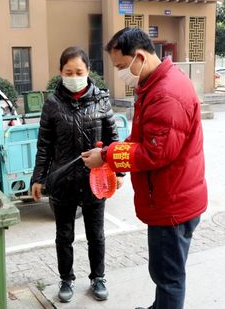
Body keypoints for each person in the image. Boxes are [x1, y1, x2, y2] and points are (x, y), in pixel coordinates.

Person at [82, 28, 208, 309]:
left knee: (168, 276)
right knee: (166, 271)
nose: (121, 73)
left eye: (121, 66)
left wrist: (106, 156)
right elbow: (142, 140)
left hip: (171, 204)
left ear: (138, 57)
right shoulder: (157, 84)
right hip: (174, 197)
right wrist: (110, 154)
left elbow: (154, 153)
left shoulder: (166, 95)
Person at [31, 46, 125, 303]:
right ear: (60, 72)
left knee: (96, 233)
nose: (74, 76)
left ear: (88, 71)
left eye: (79, 71)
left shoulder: (101, 100)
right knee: (64, 235)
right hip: (62, 180)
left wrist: (118, 173)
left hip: (95, 180)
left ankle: (98, 277)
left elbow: (112, 140)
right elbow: (44, 146)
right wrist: (38, 178)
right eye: (68, 71)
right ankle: (66, 279)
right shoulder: (52, 104)